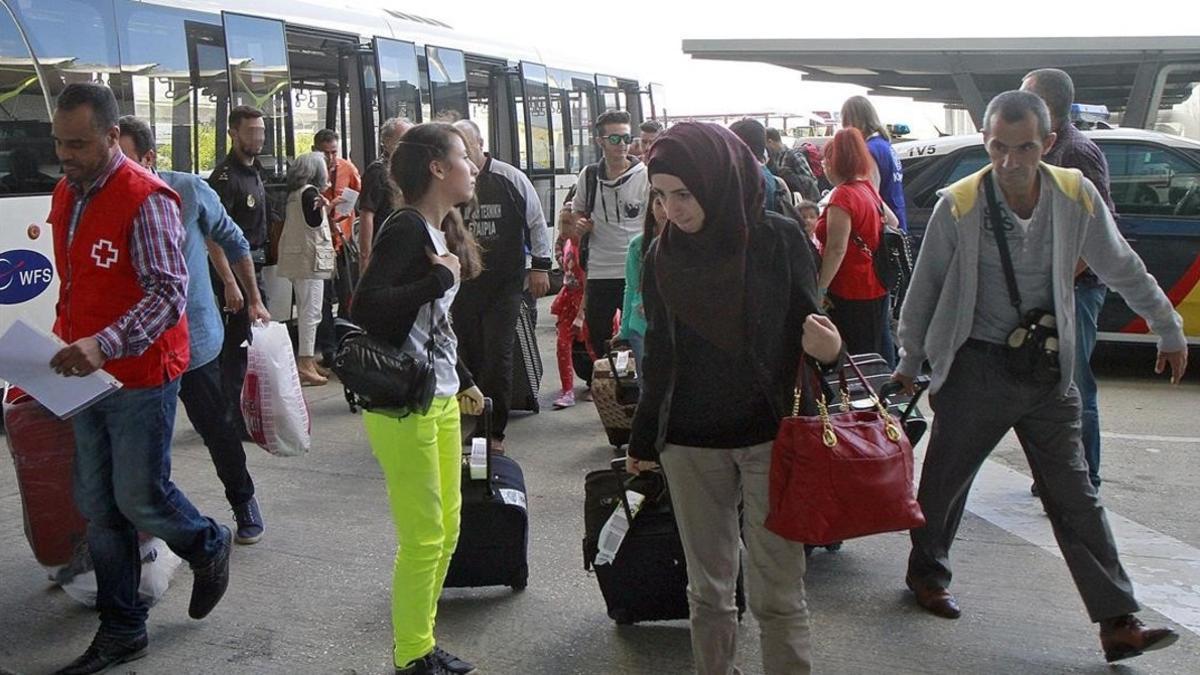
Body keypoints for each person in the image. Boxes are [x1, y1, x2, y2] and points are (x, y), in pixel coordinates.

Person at [893, 90, 1187, 664]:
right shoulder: (961, 203)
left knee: (1075, 494)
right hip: (975, 364)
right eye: (998, 147)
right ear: (986, 140)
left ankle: (1117, 621)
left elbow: (1120, 263)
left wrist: (1167, 325)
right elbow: (923, 288)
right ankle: (928, 575)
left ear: (1048, 143)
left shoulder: (1074, 195)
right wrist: (909, 361)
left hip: (1048, 369)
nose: (1009, 161)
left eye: (1024, 147)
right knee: (946, 482)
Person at [627, 121, 844, 675]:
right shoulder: (661, 255)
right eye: (661, 195)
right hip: (689, 442)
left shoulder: (775, 237)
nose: (672, 209)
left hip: (772, 435)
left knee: (779, 591)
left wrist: (833, 351)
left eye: (683, 193)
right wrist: (644, 438)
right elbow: (660, 352)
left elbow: (809, 324)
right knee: (708, 593)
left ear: (717, 181)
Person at [47, 83, 230, 675]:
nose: (66, 154)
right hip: (83, 373)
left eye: (78, 143)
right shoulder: (65, 194)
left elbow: (168, 295)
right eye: (59, 142)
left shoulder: (145, 199)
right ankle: (123, 627)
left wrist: (104, 343)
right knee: (99, 505)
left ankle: (207, 542)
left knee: (139, 495)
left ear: (110, 135)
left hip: (141, 375)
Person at [351, 122, 486, 675]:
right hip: (403, 405)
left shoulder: (435, 229)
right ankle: (412, 654)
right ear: (436, 167)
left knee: (447, 528)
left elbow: (435, 329)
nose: (473, 166)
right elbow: (367, 309)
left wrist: (468, 378)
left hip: (440, 397)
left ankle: (423, 644)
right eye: (464, 157)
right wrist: (437, 281)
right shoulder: (406, 229)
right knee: (425, 536)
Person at [117, 115, 270, 545]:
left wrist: (251, 296)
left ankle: (243, 500)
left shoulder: (187, 190)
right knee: (145, 444)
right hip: (139, 347)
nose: (116, 169)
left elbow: (234, 240)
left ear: (149, 158)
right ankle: (144, 530)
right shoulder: (108, 201)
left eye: (126, 159)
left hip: (194, 342)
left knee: (217, 428)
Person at [1021, 68, 1115, 493]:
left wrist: (1055, 282)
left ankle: (1084, 479)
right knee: (1049, 385)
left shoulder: (1076, 152)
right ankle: (1056, 475)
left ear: (1048, 105)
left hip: (1075, 289)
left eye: (1027, 96)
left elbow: (1095, 233)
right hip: (1058, 285)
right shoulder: (1049, 149)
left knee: (1074, 386)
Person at [451, 119, 552, 453]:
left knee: (499, 353)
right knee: (471, 352)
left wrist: (540, 267)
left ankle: (493, 431)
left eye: (468, 148)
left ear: (480, 143)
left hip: (505, 283)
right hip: (464, 284)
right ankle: (476, 412)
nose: (464, 157)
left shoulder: (510, 178)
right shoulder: (452, 183)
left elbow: (536, 223)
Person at [208, 106, 270, 435]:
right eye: (251, 132)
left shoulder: (256, 170)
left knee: (249, 344)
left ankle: (241, 410)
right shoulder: (225, 177)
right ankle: (230, 419)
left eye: (261, 131)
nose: (258, 138)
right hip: (232, 273)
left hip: (254, 268)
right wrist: (230, 283)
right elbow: (214, 237)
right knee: (234, 349)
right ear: (233, 133)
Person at [570, 110, 650, 361]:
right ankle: (615, 391)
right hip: (600, 270)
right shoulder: (589, 175)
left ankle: (641, 391)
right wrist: (580, 224)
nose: (623, 145)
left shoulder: (645, 175)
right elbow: (576, 212)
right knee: (600, 339)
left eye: (627, 139)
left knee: (639, 335)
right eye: (615, 139)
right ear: (600, 141)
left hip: (636, 270)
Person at [814, 128, 899, 363]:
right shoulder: (867, 188)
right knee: (879, 347)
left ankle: (863, 397)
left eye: (825, 160)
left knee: (857, 357)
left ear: (833, 162)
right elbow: (893, 221)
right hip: (877, 280)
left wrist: (820, 288)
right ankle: (886, 393)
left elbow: (836, 248)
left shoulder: (842, 195)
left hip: (850, 288)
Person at [277, 152, 336, 386]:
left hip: (296, 258)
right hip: (308, 261)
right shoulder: (311, 193)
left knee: (306, 311)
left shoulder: (294, 194)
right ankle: (305, 363)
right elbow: (313, 222)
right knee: (311, 313)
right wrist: (327, 206)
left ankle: (308, 360)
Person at [312, 128, 362, 367]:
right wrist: (330, 206)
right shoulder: (310, 173)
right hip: (321, 245)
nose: (330, 159)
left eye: (333, 152)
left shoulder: (348, 168)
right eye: (325, 153)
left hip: (344, 241)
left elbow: (357, 193)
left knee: (347, 295)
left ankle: (346, 346)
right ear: (315, 151)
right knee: (321, 300)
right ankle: (329, 350)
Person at [614, 194, 667, 379]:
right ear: (651, 206)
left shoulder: (690, 245)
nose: (665, 209)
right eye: (659, 203)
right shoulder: (638, 245)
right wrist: (624, 330)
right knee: (647, 385)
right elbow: (630, 288)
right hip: (642, 326)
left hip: (675, 327)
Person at [841, 95, 908, 233]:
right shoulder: (885, 146)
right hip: (898, 222)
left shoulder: (869, 150)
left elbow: (869, 195)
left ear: (852, 121)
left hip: (883, 230)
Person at [357, 117, 413, 272]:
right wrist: (365, 258)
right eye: (403, 139)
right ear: (386, 142)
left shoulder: (407, 169)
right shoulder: (377, 171)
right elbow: (367, 215)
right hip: (385, 249)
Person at [549, 208, 587, 409]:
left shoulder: (585, 247)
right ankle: (567, 390)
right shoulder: (566, 243)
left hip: (584, 303)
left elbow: (589, 283)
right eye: (561, 223)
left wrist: (581, 315)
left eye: (567, 223)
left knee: (592, 346)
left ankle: (600, 384)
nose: (562, 228)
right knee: (563, 344)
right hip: (568, 300)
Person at [766, 127, 820, 202]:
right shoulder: (772, 158)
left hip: (800, 204)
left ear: (770, 142)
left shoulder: (795, 156)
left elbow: (812, 182)